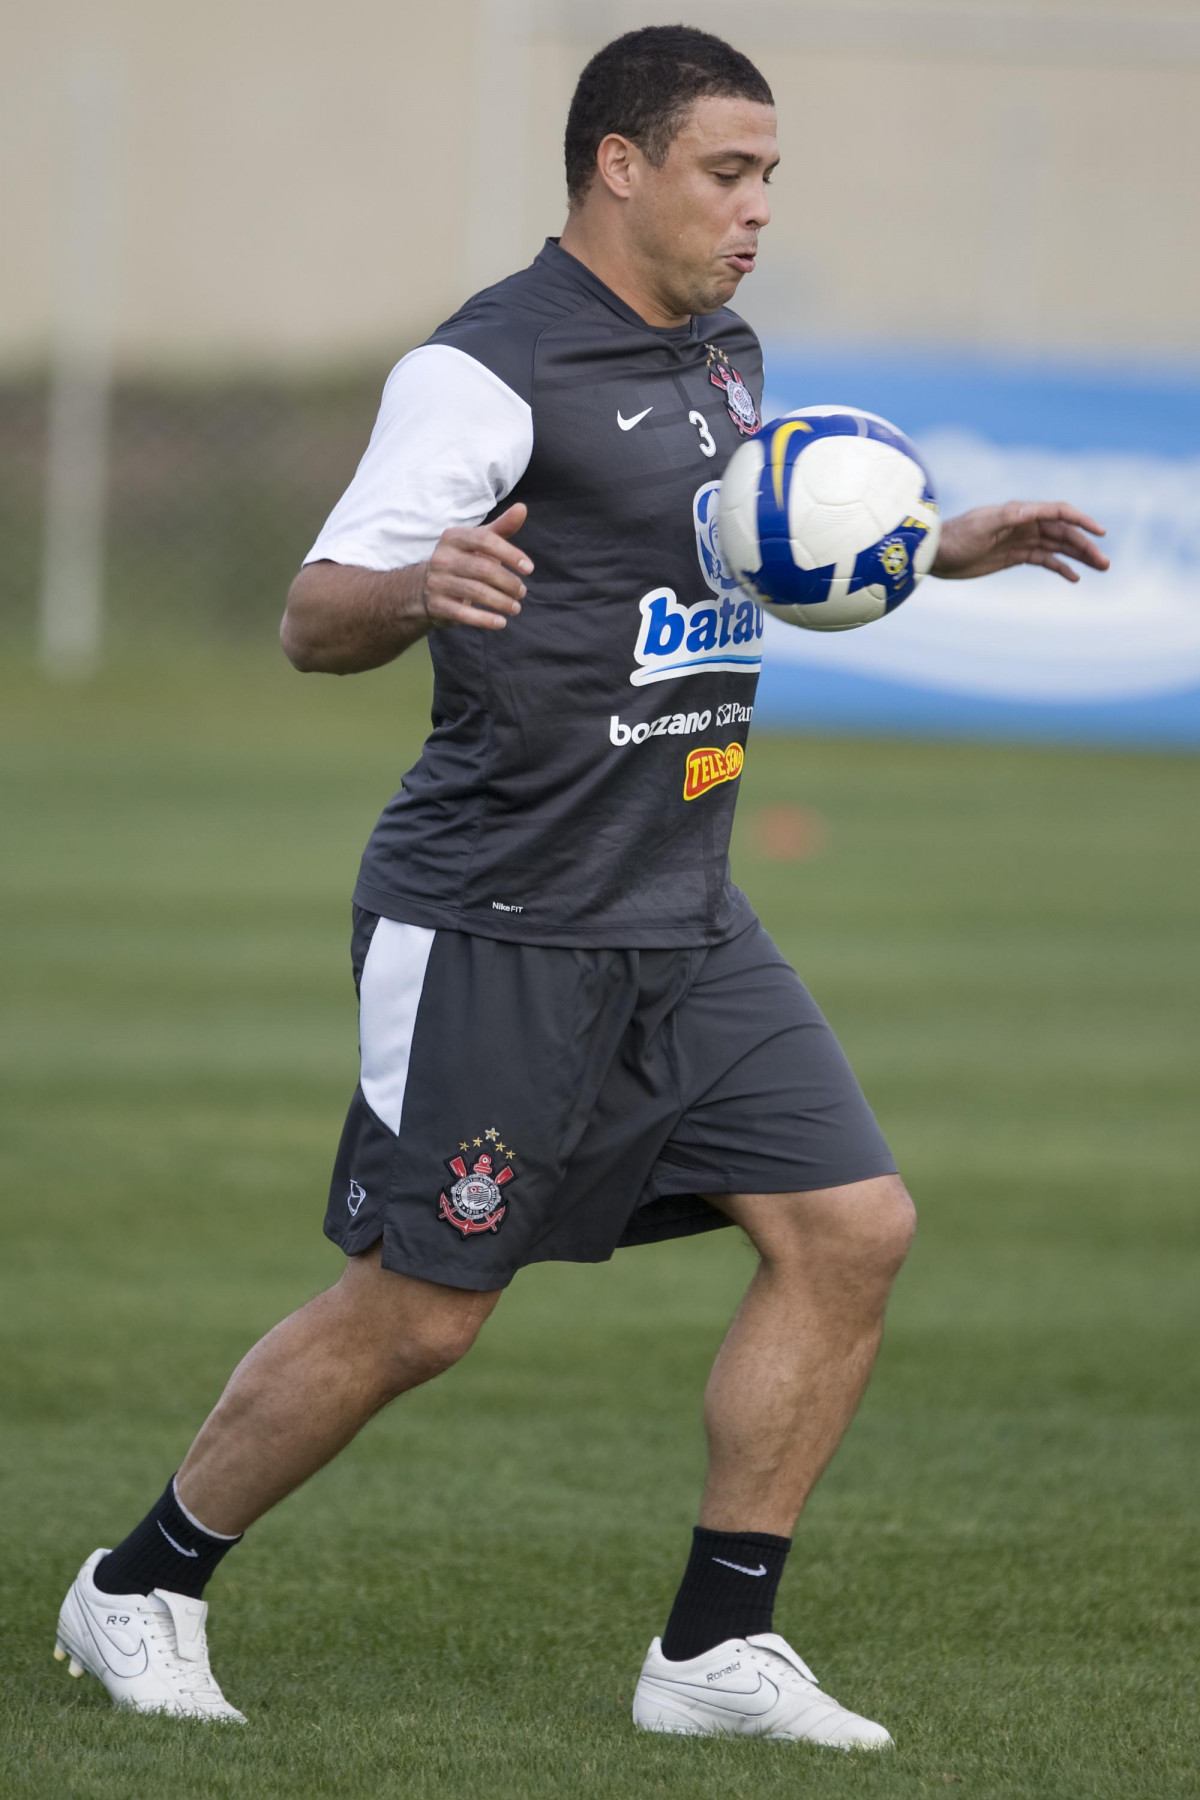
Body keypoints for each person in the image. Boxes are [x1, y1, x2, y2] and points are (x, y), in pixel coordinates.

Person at [54, 25, 1108, 1746]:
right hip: (498, 912)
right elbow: (314, 616)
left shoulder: (724, 353)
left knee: (853, 1231)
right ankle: (144, 1584)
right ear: (618, 164)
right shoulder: (485, 370)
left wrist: (934, 544)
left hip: (684, 909)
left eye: (770, 177)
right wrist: (421, 586)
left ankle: (713, 1653)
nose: (758, 210)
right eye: (729, 172)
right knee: (421, 1314)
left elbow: (729, 555)